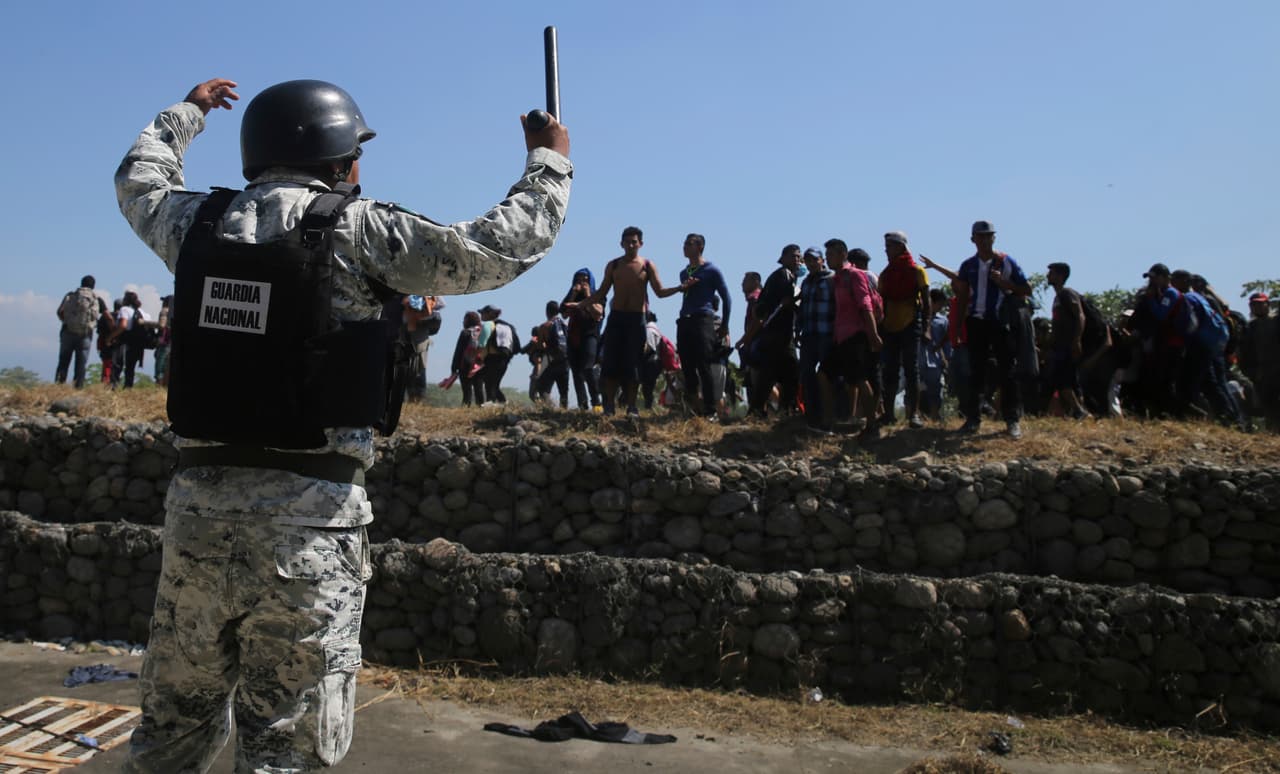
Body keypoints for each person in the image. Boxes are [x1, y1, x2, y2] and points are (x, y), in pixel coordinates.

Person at [115, 77, 571, 773]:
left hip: (196, 520)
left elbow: (139, 177)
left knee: (170, 736)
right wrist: (548, 163)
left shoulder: (196, 225)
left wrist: (190, 111)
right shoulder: (359, 231)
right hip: (309, 530)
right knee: (285, 749)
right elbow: (491, 252)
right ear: (338, 159)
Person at [572, 227, 685, 416]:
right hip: (617, 317)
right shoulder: (614, 265)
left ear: (641, 244)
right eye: (627, 242)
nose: (631, 245)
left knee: (633, 364)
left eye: (634, 242)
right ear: (621, 244)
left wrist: (680, 288)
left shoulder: (647, 265)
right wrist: (580, 304)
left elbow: (659, 291)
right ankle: (609, 405)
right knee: (610, 363)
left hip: (636, 319)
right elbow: (601, 292)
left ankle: (632, 406)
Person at [952, 220, 1032, 438]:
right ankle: (973, 419)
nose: (985, 240)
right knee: (975, 372)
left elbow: (1026, 289)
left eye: (989, 236)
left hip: (1000, 322)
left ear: (994, 238)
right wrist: (958, 326)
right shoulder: (968, 265)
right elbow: (961, 296)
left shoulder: (1006, 262)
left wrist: (1005, 284)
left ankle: (1011, 419)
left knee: (1007, 371)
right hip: (976, 322)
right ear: (973, 239)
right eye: (981, 236)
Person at [822, 239, 882, 442]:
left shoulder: (854, 275)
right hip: (841, 337)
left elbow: (866, 305)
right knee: (824, 373)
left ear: (842, 255)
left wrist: (873, 335)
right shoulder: (837, 278)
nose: (827, 258)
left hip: (856, 335)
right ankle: (830, 422)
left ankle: (872, 424)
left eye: (830, 254)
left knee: (860, 378)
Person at [673, 233, 732, 419]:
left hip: (703, 319)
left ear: (699, 247)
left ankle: (710, 410)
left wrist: (726, 324)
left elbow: (726, 296)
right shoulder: (685, 272)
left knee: (704, 364)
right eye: (684, 243)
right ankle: (693, 408)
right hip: (685, 319)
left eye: (689, 244)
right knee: (687, 365)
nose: (684, 247)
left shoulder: (711, 270)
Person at [877, 231, 930, 429]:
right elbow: (881, 302)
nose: (886, 250)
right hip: (890, 326)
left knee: (911, 369)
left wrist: (926, 327)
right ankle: (889, 414)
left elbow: (926, 302)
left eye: (890, 246)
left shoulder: (917, 271)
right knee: (889, 371)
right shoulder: (886, 274)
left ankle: (913, 414)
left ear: (900, 247)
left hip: (911, 323)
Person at [742, 244, 799, 418]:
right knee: (785, 372)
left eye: (799, 257)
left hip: (777, 333)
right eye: (793, 256)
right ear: (783, 258)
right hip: (778, 333)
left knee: (776, 373)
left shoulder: (781, 276)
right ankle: (781, 409)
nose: (797, 260)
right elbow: (783, 303)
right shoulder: (783, 276)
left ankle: (765, 409)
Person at [795, 247, 835, 432]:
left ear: (822, 261)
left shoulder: (832, 280)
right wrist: (797, 330)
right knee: (807, 375)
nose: (811, 263)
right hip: (809, 334)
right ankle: (812, 415)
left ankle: (829, 417)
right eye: (808, 260)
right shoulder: (806, 282)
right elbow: (803, 308)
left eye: (814, 260)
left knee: (827, 375)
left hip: (827, 334)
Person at [1045, 262, 1091, 419]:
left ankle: (1079, 411)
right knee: (1070, 380)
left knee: (1062, 379)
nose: (1047, 276)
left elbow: (1080, 315)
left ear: (1060, 276)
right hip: (1059, 346)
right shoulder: (1058, 297)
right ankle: (1079, 412)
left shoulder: (1067, 293)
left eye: (1051, 273)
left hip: (1067, 346)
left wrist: (1077, 340)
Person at [54, 274, 108, 389]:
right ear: (93, 286)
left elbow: (59, 311)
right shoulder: (96, 298)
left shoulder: (70, 295)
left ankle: (58, 386)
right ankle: (78, 388)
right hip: (85, 335)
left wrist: (66, 321)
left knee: (63, 361)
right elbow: (108, 316)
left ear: (81, 283)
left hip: (68, 332)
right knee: (81, 364)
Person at [561, 268, 603, 411]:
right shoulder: (571, 295)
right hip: (573, 336)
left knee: (588, 368)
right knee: (576, 371)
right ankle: (582, 404)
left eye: (585, 279)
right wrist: (573, 294)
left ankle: (596, 402)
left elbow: (598, 314)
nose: (582, 282)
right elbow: (565, 314)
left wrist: (588, 296)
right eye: (579, 279)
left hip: (590, 335)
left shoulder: (598, 294)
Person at [1241, 291, 1280, 430]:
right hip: (1263, 374)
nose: (1256, 307)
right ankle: (1273, 434)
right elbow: (1244, 354)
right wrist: (1251, 372)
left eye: (1259, 304)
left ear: (1267, 304)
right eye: (1253, 304)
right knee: (1268, 406)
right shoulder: (1250, 327)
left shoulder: (1276, 321)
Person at [478, 304, 520, 404]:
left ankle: (490, 406)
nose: (481, 315)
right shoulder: (507, 326)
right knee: (494, 385)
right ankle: (503, 404)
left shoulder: (488, 324)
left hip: (491, 359)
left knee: (489, 385)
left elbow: (481, 343)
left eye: (483, 313)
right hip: (504, 360)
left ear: (489, 314)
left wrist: (477, 358)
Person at [919, 288, 950, 421]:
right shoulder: (918, 318)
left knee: (936, 390)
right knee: (917, 390)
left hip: (935, 361)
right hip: (919, 359)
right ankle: (916, 415)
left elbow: (946, 342)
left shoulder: (942, 321)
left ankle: (935, 415)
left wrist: (946, 359)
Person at [534, 300, 571, 407]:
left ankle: (548, 409)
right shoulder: (565, 324)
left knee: (544, 388)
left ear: (547, 312)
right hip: (565, 361)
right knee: (564, 391)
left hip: (550, 360)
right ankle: (564, 411)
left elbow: (541, 345)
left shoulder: (544, 326)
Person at [450, 310, 488, 406]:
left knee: (467, 392)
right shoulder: (482, 332)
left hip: (465, 365)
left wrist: (454, 367)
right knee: (479, 390)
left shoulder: (465, 333)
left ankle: (466, 407)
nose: (463, 322)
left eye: (464, 320)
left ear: (468, 321)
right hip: (479, 365)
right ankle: (481, 409)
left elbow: (458, 351)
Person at [117, 290, 152, 389]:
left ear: (126, 300)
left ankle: (117, 385)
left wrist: (111, 337)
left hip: (127, 342)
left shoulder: (124, 309)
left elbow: (123, 326)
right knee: (130, 367)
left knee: (120, 365)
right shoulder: (145, 313)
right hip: (140, 344)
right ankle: (129, 387)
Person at [153, 295, 173, 385]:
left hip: (164, 342)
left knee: (160, 368)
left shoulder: (165, 311)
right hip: (170, 342)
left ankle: (159, 387)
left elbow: (161, 325)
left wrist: (145, 323)